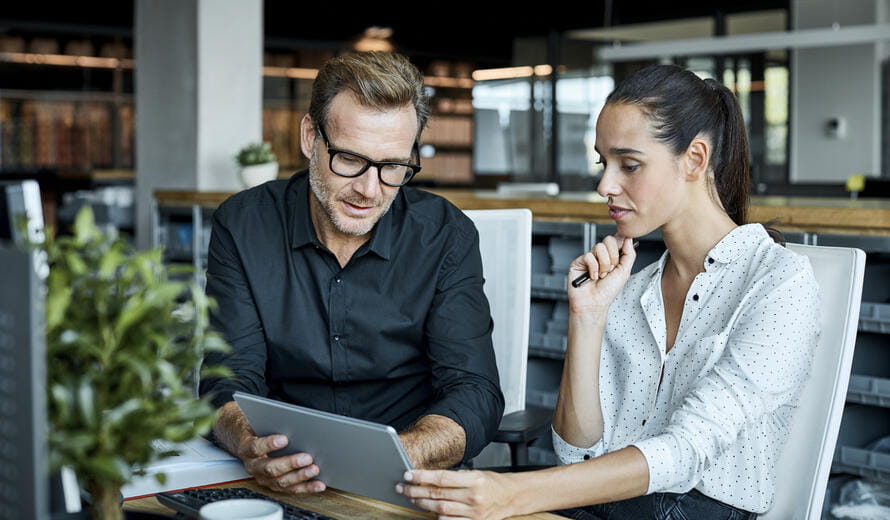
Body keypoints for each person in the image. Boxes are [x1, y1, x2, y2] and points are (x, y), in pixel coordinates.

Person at [397, 64, 821, 519]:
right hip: (607, 506)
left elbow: (685, 452)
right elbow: (575, 451)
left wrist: (513, 494)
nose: (605, 185)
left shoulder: (779, 283)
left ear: (695, 159)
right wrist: (588, 318)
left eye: (630, 164)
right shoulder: (629, 287)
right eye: (604, 163)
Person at [199, 51, 504, 495]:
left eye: (393, 166)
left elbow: (474, 391)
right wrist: (250, 444)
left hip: (408, 476)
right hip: (281, 472)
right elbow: (227, 378)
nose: (369, 189)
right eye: (349, 159)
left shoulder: (446, 235)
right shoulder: (243, 224)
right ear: (310, 137)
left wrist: (399, 455)